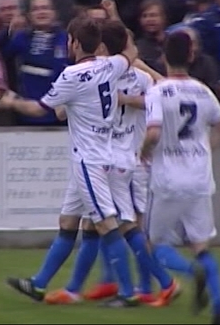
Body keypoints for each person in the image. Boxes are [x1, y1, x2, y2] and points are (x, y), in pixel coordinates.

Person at [0, 15, 142, 308]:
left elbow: (39, 109)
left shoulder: (72, 75)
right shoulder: (110, 65)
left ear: (73, 43)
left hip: (90, 160)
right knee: (68, 221)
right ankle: (38, 285)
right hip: (96, 154)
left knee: (105, 224)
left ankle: (128, 292)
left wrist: (11, 101)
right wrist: (115, 21)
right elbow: (131, 52)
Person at [48, 19, 180, 307]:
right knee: (95, 225)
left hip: (117, 159)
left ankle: (154, 284)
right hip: (113, 157)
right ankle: (79, 287)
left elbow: (60, 112)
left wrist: (124, 99)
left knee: (122, 226)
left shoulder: (99, 77)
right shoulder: (131, 76)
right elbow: (155, 90)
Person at [140, 31, 220, 325]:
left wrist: (143, 152)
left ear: (163, 57)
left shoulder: (158, 91)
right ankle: (219, 308)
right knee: (201, 245)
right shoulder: (204, 91)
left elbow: (154, 132)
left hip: (168, 179)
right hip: (199, 179)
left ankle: (192, 272)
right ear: (191, 56)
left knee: (153, 246)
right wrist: (204, 148)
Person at [0, 0, 69, 126]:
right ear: (29, 15)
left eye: (45, 8)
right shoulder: (22, 37)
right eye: (36, 9)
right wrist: (10, 29)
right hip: (27, 110)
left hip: (60, 112)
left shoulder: (66, 38)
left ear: (55, 13)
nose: (41, 12)